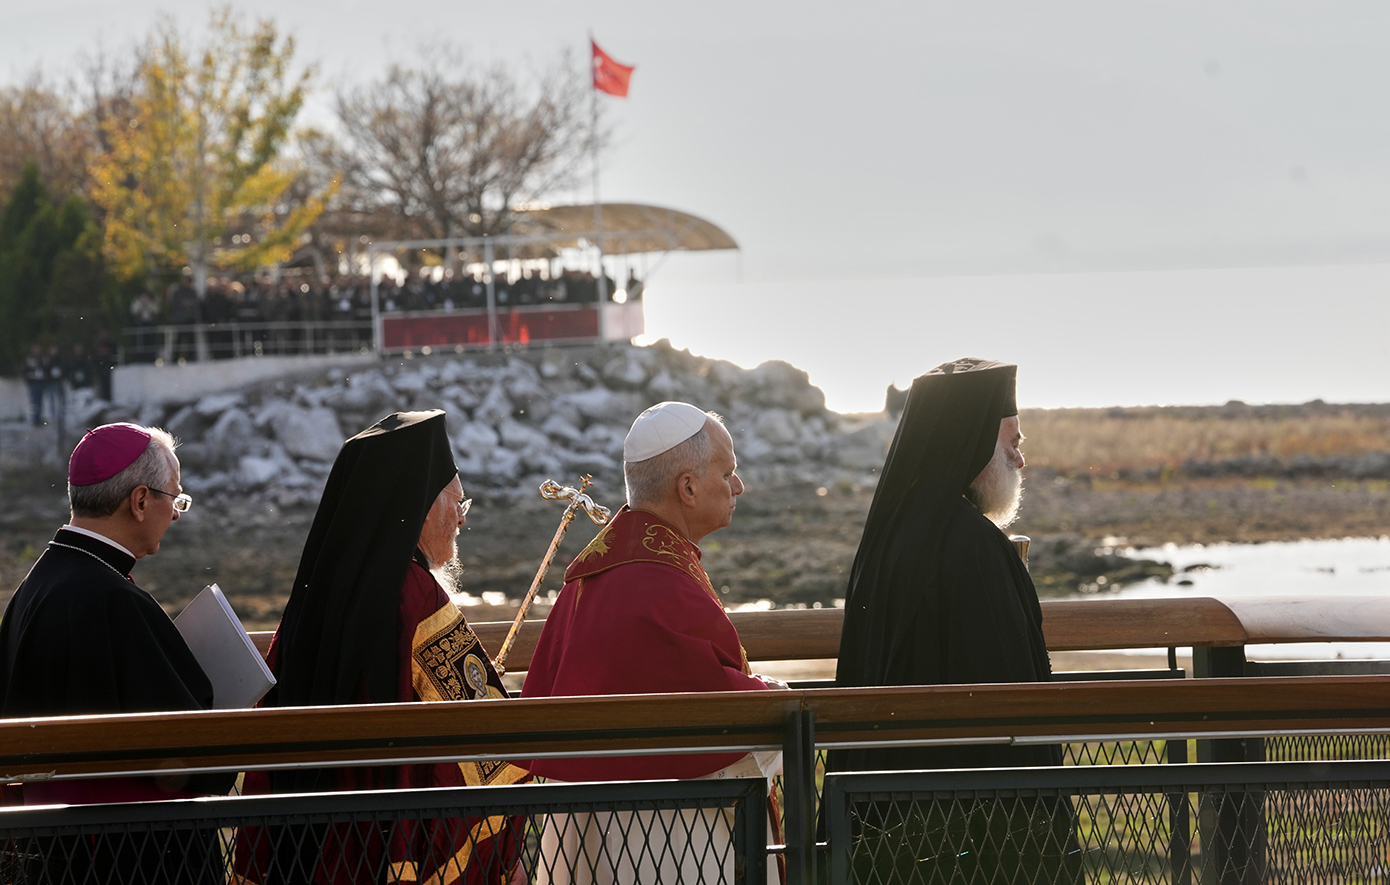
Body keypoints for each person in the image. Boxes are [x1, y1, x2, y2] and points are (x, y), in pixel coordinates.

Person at [236, 410, 526, 885]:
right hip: (383, 835)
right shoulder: (416, 595)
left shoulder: (314, 594)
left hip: (303, 837)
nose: (461, 518)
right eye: (455, 502)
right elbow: (488, 735)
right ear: (417, 505)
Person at [828, 358, 1078, 884]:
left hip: (888, 818)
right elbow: (1015, 695)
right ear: (971, 442)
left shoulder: (888, 535)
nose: (1020, 459)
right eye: (1011, 441)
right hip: (970, 828)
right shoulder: (976, 547)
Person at [521, 401, 783, 885]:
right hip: (671, 839)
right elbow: (716, 713)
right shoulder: (660, 582)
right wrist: (775, 697)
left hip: (599, 827)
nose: (739, 486)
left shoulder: (594, 573)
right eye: (728, 473)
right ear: (687, 487)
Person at [0, 422, 232, 882]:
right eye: (175, 499)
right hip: (126, 855)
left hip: (49, 846)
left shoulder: (39, 582)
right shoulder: (112, 599)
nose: (178, 513)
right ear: (140, 501)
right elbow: (186, 751)